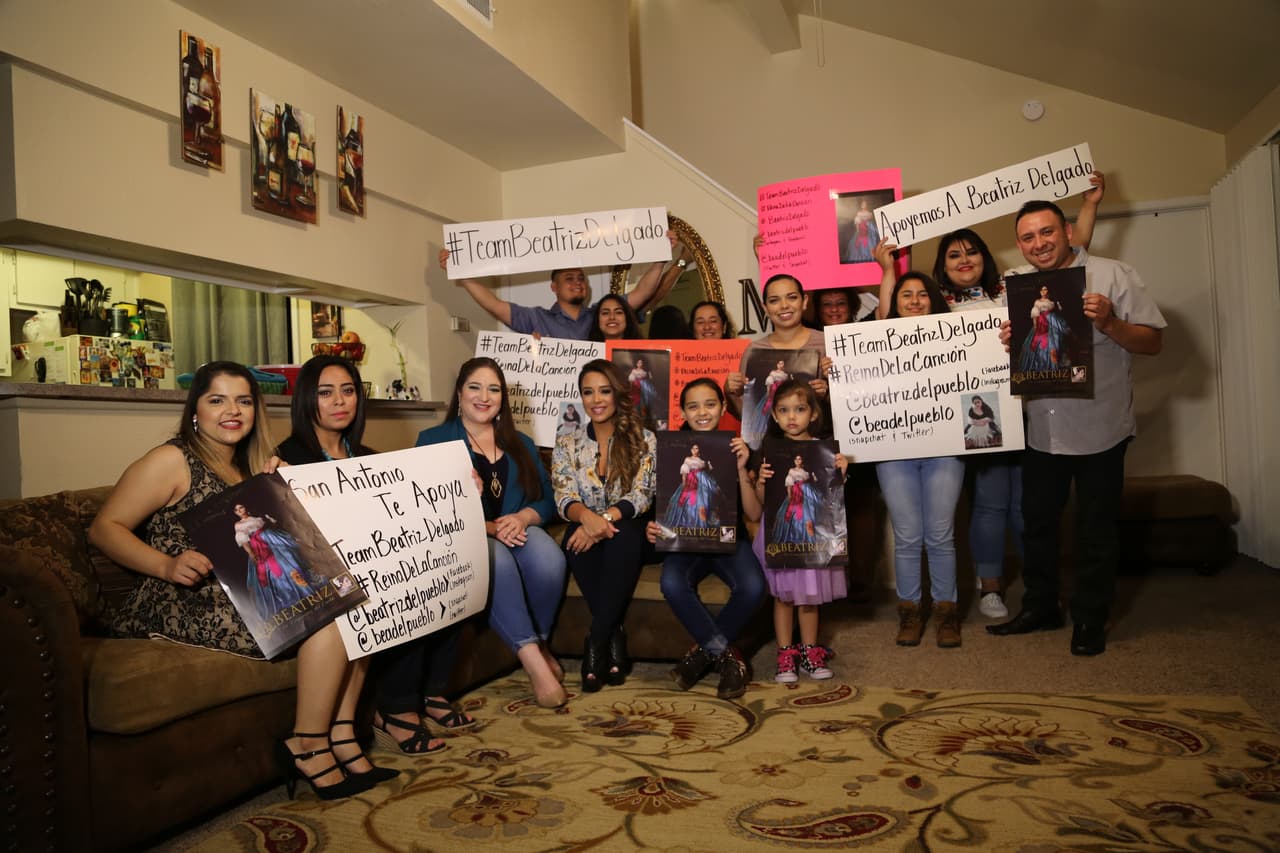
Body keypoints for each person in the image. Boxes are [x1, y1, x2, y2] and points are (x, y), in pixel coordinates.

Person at [89, 362, 396, 800]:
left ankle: (341, 735)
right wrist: (166, 564)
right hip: (183, 598)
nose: (232, 410)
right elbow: (104, 528)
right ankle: (307, 744)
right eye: (217, 400)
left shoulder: (250, 466)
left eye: (244, 401)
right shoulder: (172, 459)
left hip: (245, 590)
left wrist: (284, 486)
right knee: (329, 618)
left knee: (355, 598)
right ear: (195, 408)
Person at [876, 180, 1103, 620]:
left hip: (1031, 410)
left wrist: (1088, 206)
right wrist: (888, 273)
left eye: (972, 252)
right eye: (954, 255)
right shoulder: (935, 304)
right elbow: (886, 331)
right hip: (978, 419)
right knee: (991, 504)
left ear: (985, 257)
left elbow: (1067, 264)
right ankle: (990, 587)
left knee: (1031, 507)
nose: (965, 261)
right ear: (942, 265)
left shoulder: (1011, 288)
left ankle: (1041, 586)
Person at [988, 199, 1165, 656]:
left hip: (1101, 428)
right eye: (1028, 237)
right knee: (1038, 527)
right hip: (1041, 431)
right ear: (1019, 244)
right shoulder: (1014, 287)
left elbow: (1153, 342)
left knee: (1096, 530)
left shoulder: (1113, 275)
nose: (1039, 244)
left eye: (1046, 232)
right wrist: (1005, 343)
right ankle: (1041, 607)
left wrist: (1108, 322)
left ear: (1067, 231)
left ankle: (1089, 618)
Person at [275, 355, 468, 755]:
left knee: (425, 581)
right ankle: (395, 712)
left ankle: (389, 712)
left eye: (348, 391)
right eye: (325, 393)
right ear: (306, 400)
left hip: (369, 574)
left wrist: (463, 489)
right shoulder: (285, 460)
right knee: (387, 595)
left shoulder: (369, 458)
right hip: (317, 582)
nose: (339, 401)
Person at [418, 358, 569, 708]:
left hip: (515, 530)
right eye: (475, 387)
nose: (484, 396)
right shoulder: (433, 441)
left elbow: (545, 498)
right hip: (468, 537)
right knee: (495, 558)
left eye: (494, 389)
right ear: (459, 393)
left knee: (550, 559)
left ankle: (540, 642)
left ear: (503, 398)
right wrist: (488, 527)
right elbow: (426, 509)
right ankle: (535, 664)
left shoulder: (522, 443)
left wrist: (526, 516)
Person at [649, 378, 765, 699]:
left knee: (754, 586)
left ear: (723, 407)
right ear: (682, 412)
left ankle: (701, 655)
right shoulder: (670, 447)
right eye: (693, 406)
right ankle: (727, 658)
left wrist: (742, 467)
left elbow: (754, 514)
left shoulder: (738, 445)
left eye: (710, 404)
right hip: (685, 536)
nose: (702, 412)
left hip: (727, 536)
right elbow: (658, 497)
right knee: (671, 582)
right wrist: (652, 526)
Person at [872, 272, 967, 648]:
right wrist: (839, 372)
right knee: (908, 536)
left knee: (941, 535)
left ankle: (947, 614)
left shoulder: (959, 338)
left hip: (945, 447)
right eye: (906, 294)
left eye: (922, 294)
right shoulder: (874, 344)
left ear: (934, 300)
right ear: (894, 303)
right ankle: (909, 611)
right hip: (894, 451)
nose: (914, 300)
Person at [552, 360, 656, 692]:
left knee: (624, 536)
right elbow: (563, 494)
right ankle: (614, 637)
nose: (596, 399)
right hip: (586, 523)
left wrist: (604, 519)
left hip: (630, 527)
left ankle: (595, 643)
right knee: (573, 542)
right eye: (588, 392)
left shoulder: (644, 438)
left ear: (617, 394)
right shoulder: (567, 442)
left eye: (604, 391)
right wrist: (586, 519)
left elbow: (642, 495)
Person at [753, 379, 847, 682]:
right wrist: (761, 482)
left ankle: (810, 650)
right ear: (775, 416)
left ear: (813, 414)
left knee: (809, 594)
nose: (792, 416)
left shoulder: (824, 452)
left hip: (813, 528)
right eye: (784, 410)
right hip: (781, 528)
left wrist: (842, 471)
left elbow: (833, 498)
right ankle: (785, 652)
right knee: (783, 596)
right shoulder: (769, 453)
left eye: (799, 409)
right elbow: (759, 505)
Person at [439, 232, 675, 340]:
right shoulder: (536, 319)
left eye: (581, 278)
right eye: (569, 278)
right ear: (554, 287)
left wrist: (661, 259)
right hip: (556, 410)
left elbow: (643, 292)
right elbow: (494, 305)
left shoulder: (601, 314)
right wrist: (463, 275)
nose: (577, 282)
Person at [725, 263, 831, 433]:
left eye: (792, 297)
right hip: (769, 448)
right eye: (774, 300)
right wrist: (729, 392)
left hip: (818, 444)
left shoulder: (827, 343)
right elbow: (746, 416)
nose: (784, 306)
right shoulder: (754, 351)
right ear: (765, 308)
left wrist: (829, 392)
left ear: (804, 302)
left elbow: (850, 406)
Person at [232, 503, 319, 620]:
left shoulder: (257, 515)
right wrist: (251, 553)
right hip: (258, 545)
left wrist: (269, 524)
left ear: (245, 507)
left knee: (288, 560)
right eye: (236, 510)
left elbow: (273, 524)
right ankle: (287, 596)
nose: (240, 511)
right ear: (235, 513)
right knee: (271, 570)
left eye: (241, 507)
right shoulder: (239, 525)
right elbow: (243, 541)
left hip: (271, 538)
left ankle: (301, 588)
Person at [663, 442, 721, 527]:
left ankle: (705, 520)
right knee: (689, 499)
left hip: (703, 479)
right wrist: (684, 483)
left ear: (699, 449)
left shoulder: (703, 459)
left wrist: (707, 467)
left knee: (706, 499)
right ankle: (690, 521)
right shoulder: (688, 459)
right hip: (691, 480)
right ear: (690, 450)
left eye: (696, 448)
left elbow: (708, 470)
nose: (694, 450)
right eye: (693, 448)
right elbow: (684, 473)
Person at [1019, 285, 1071, 370]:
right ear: (1039, 292)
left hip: (1053, 320)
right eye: (1042, 290)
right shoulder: (1037, 301)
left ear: (1048, 291)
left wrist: (1057, 303)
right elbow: (1035, 313)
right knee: (1040, 342)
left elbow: (1059, 310)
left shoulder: (1051, 301)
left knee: (1058, 339)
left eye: (1045, 289)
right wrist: (1035, 325)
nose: (1043, 291)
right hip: (1042, 322)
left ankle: (1058, 361)